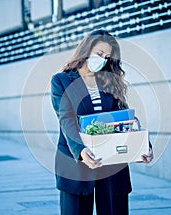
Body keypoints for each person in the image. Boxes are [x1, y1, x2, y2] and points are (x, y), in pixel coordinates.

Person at [51, 29, 153, 215]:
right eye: (99, 54)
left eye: (107, 57)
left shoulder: (109, 80)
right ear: (86, 50)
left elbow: (124, 117)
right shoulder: (61, 80)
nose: (103, 60)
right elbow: (66, 118)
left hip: (112, 159)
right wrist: (81, 151)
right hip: (77, 161)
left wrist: (143, 146)